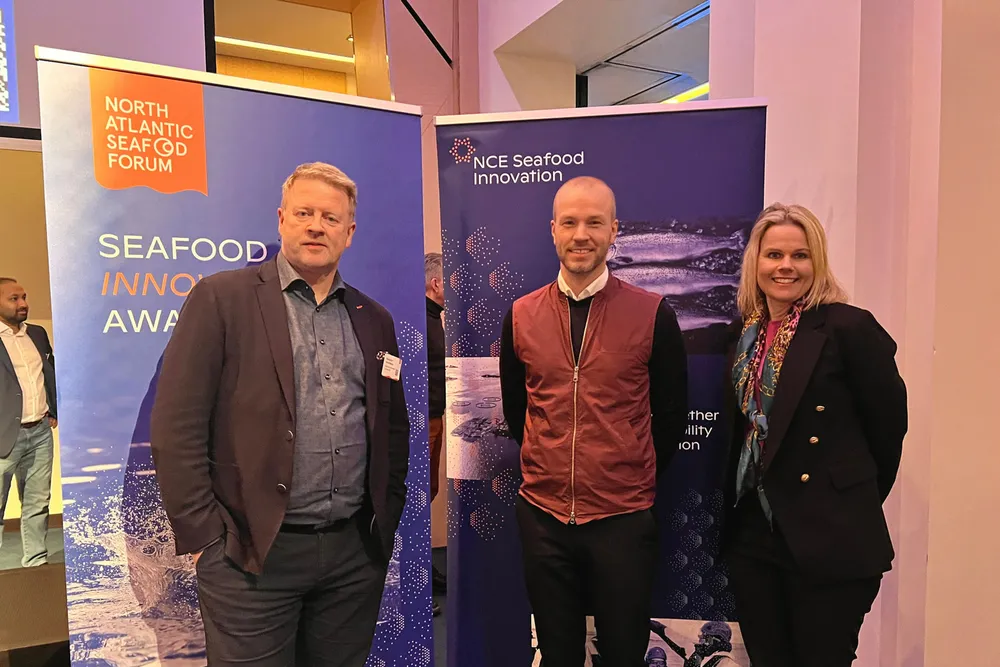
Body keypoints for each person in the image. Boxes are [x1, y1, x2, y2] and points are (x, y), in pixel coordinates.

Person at [150, 162, 410, 667]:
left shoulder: (374, 318)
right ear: (281, 220)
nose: (316, 226)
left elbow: (391, 427)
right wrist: (207, 539)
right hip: (251, 556)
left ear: (349, 232)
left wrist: (386, 514)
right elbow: (176, 427)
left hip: (353, 556)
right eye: (304, 213)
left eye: (331, 218)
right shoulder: (221, 299)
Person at [500, 176, 688, 667]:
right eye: (569, 223)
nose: (580, 234)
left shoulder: (652, 314)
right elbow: (518, 410)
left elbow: (671, 415)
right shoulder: (521, 315)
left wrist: (626, 471)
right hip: (543, 516)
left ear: (614, 230)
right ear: (553, 230)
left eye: (594, 223)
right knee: (557, 653)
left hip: (622, 519)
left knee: (623, 652)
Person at [721, 203, 907, 667]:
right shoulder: (744, 334)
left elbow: (888, 432)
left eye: (799, 255)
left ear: (816, 262)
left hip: (829, 538)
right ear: (756, 262)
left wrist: (842, 498)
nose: (785, 266)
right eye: (774, 255)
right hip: (755, 536)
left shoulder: (849, 328)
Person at [0, 278, 57, 567]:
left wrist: (53, 410)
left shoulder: (37, 333)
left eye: (23, 297)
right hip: (4, 436)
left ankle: (36, 563)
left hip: (40, 432)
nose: (23, 304)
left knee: (38, 502)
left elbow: (48, 372)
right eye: (14, 299)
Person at [424, 251, 447, 612]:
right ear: (437, 283)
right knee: (420, 495)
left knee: (430, 491)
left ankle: (425, 569)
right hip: (424, 421)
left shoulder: (433, 319)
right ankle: (418, 578)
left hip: (435, 418)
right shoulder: (421, 321)